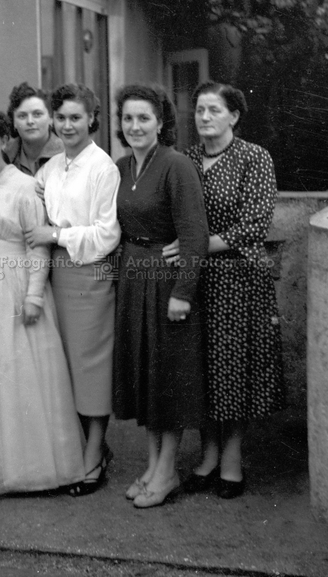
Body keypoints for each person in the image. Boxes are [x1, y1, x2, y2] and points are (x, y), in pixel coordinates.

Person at [0, 108, 85, 496]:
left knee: (19, 371)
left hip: (16, 284)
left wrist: (32, 295)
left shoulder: (24, 186)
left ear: (3, 142)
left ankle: (29, 469)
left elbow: (37, 245)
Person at [167, 80, 286, 500]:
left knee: (233, 370)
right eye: (199, 110)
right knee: (202, 368)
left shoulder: (254, 158)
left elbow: (253, 225)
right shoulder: (186, 159)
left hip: (238, 278)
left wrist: (196, 245)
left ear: (233, 116)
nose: (204, 118)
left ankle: (232, 458)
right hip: (196, 279)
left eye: (214, 110)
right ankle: (209, 454)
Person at [110, 85, 209, 508]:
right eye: (128, 118)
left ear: (161, 123)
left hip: (168, 283)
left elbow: (195, 234)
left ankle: (167, 472)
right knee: (147, 377)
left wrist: (183, 292)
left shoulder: (176, 165)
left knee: (167, 379)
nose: (135, 126)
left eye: (144, 118)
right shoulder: (120, 166)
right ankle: (152, 465)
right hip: (134, 278)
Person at [26, 84, 121, 497]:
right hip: (55, 276)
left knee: (90, 367)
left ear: (92, 120)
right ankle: (85, 446)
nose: (67, 125)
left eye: (75, 118)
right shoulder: (51, 167)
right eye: (61, 117)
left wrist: (56, 233)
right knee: (63, 366)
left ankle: (94, 454)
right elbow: (31, 203)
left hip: (89, 275)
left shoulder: (104, 168)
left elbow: (107, 233)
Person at [4, 82, 64, 176]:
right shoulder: (3, 156)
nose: (30, 121)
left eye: (37, 114)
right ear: (14, 122)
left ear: (51, 118)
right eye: (22, 116)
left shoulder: (67, 154)